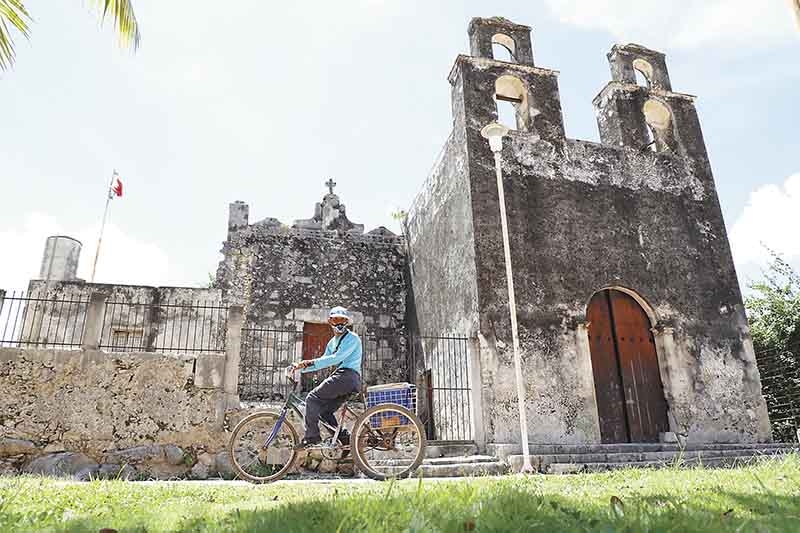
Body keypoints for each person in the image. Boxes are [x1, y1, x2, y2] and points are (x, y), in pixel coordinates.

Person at [290, 306, 362, 448]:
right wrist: (300, 368)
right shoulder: (332, 342)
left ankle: (312, 436)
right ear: (330, 322)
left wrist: (308, 362)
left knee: (311, 398)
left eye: (342, 320)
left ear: (346, 322)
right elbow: (324, 361)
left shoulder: (352, 338)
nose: (339, 323)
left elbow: (336, 358)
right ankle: (345, 441)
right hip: (343, 380)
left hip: (347, 377)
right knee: (324, 412)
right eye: (336, 320)